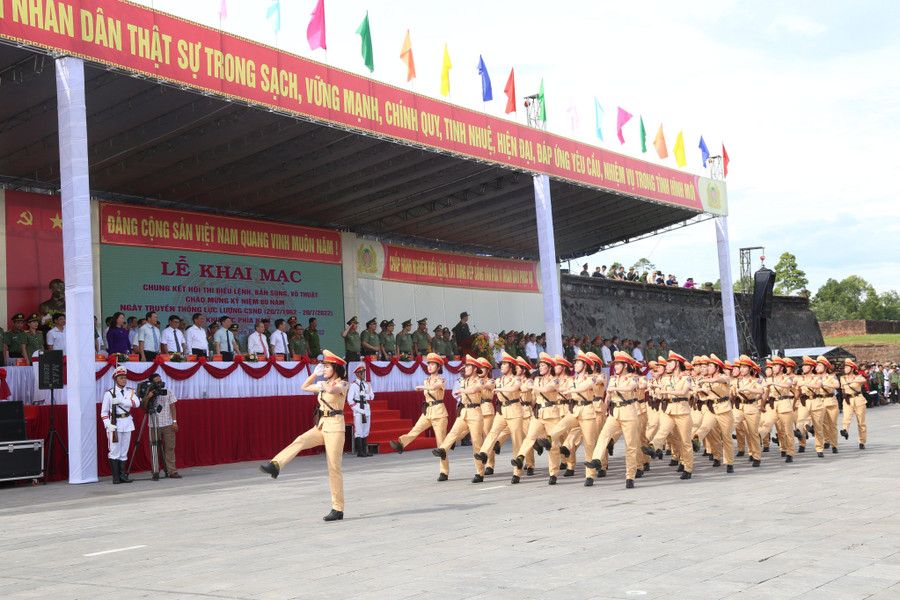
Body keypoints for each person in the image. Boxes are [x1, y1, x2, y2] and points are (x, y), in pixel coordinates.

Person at [260, 350, 349, 522]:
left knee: (334, 469)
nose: (323, 369)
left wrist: (322, 384)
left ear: (336, 368)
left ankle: (338, 509)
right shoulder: (324, 382)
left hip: (336, 429)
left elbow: (333, 389)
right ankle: (276, 465)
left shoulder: (343, 383)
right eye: (323, 366)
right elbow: (304, 387)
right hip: (322, 426)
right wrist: (313, 376)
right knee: (300, 440)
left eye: (327, 366)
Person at [390, 353, 450, 480]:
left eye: (432, 364)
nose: (429, 366)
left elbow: (435, 387)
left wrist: (422, 387)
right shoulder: (426, 380)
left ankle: (444, 471)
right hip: (428, 411)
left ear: (438, 367)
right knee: (415, 430)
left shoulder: (441, 379)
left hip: (439, 413)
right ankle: (401, 444)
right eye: (428, 364)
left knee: (441, 443)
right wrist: (424, 385)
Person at [431, 355, 486, 483]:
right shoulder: (463, 381)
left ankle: (480, 472)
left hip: (475, 412)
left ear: (474, 368)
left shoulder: (480, 381)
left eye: (468, 366)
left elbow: (474, 390)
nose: (465, 369)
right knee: (453, 433)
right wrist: (461, 390)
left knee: (477, 444)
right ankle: (443, 449)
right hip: (464, 411)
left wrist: (461, 390)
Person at [100, 367, 142, 484]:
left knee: (124, 451)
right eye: (121, 378)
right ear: (115, 380)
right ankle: (116, 477)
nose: (124, 380)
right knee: (114, 451)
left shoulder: (130, 391)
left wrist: (121, 401)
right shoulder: (109, 394)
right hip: (115, 423)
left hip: (127, 422)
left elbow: (137, 403)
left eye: (125, 378)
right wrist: (108, 424)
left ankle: (122, 475)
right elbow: (103, 412)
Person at [142, 372, 181, 478]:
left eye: (160, 381)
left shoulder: (168, 392)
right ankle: (155, 471)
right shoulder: (148, 393)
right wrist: (148, 397)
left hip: (168, 423)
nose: (160, 384)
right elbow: (143, 407)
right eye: (157, 382)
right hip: (154, 424)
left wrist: (174, 421)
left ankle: (172, 470)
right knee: (154, 448)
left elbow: (173, 407)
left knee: (170, 447)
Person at [840, 359, 869, 449]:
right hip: (848, 400)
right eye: (844, 367)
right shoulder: (842, 378)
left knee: (861, 422)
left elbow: (864, 380)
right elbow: (842, 389)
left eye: (847, 367)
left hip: (858, 399)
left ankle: (862, 441)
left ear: (852, 369)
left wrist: (852, 382)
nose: (845, 369)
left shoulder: (858, 377)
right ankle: (845, 430)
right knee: (846, 417)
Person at [347, 363, 373, 457]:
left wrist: (364, 395)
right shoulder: (353, 385)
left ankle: (364, 451)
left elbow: (372, 396)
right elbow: (350, 399)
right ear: (357, 374)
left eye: (364, 372)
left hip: (366, 407)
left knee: (366, 429)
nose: (364, 374)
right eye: (362, 373)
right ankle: (360, 452)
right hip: (358, 407)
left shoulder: (367, 384)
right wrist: (357, 409)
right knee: (359, 430)